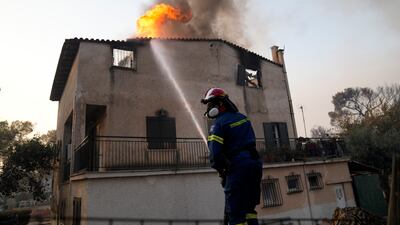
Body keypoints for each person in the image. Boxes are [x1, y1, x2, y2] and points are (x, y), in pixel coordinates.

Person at [201, 87, 263, 225]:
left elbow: (215, 155)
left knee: (236, 215)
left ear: (221, 104)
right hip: (255, 164)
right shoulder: (243, 118)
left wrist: (221, 172)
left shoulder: (218, 124)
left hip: (238, 167)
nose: (209, 107)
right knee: (249, 211)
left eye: (211, 103)